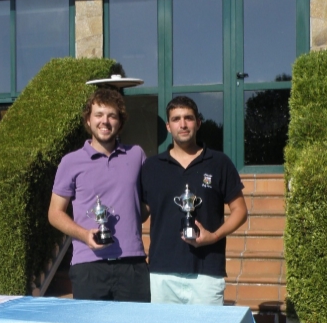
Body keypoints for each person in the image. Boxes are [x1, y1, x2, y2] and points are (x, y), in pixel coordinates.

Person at [141, 96, 248, 305]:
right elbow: (142, 211)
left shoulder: (219, 163)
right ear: (168, 126)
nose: (182, 124)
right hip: (163, 273)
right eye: (176, 119)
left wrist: (214, 236)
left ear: (198, 123)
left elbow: (240, 211)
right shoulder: (151, 167)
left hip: (206, 272)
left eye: (188, 118)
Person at [48, 88, 150, 302]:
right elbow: (55, 214)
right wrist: (85, 235)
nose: (105, 121)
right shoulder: (71, 162)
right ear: (88, 120)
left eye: (112, 115)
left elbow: (146, 204)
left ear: (120, 122)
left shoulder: (136, 155)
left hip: (131, 264)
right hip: (89, 266)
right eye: (99, 115)